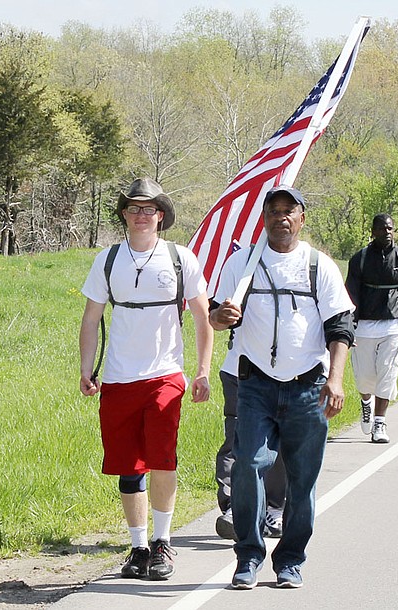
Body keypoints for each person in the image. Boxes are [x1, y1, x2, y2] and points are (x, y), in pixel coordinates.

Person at [209, 185, 354, 590]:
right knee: (249, 467)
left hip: (308, 388)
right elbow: (217, 318)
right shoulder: (242, 263)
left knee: (301, 480)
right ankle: (249, 555)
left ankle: (289, 560)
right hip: (255, 385)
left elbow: (340, 326)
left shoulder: (318, 266)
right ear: (264, 219)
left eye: (289, 211)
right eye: (273, 211)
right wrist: (222, 315)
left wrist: (336, 379)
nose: (281, 218)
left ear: (302, 218)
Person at [79, 177, 213, 581]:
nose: (141, 215)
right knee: (128, 466)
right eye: (134, 208)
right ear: (124, 214)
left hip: (164, 376)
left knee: (162, 458)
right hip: (119, 378)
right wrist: (86, 369)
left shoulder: (180, 258)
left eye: (149, 209)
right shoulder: (107, 259)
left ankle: (162, 542)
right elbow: (91, 318)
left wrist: (203, 371)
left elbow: (203, 318)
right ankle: (137, 546)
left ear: (161, 216)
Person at [345, 214, 398, 444]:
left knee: (387, 375)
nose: (387, 232)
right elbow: (350, 295)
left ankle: (380, 422)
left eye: (390, 228)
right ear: (373, 231)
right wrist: (347, 329)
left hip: (394, 325)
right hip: (365, 327)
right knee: (365, 378)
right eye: (382, 228)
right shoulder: (359, 260)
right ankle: (366, 404)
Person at [214, 343, 287, 541]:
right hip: (238, 370)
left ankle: (274, 507)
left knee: (276, 440)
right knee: (235, 439)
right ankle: (233, 506)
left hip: (280, 374)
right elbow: (216, 317)